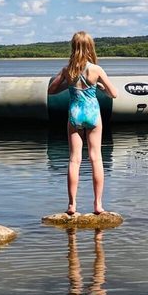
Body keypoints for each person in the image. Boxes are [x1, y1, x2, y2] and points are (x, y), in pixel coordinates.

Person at [48, 31, 118, 215]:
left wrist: (68, 85)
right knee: (96, 158)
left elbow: (51, 90)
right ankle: (98, 205)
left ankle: (72, 205)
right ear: (90, 47)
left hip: (75, 114)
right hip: (92, 114)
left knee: (74, 159)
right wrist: (100, 87)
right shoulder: (96, 70)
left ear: (73, 47)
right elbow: (114, 93)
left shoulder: (67, 70)